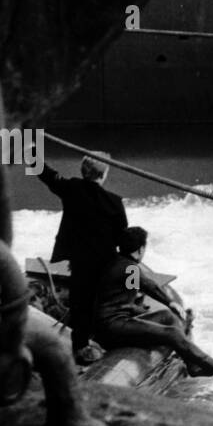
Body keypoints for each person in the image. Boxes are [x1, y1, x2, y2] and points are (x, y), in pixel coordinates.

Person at [95, 227, 213, 381]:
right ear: (140, 249)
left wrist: (168, 305)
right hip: (112, 329)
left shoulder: (120, 263)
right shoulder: (130, 268)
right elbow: (149, 286)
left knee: (168, 316)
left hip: (114, 324)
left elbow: (135, 288)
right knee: (172, 333)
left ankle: (192, 365)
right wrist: (170, 301)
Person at [37, 153, 128, 364]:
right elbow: (121, 236)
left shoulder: (71, 188)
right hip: (105, 262)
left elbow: (45, 174)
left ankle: (81, 345)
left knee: (81, 302)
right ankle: (93, 342)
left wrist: (30, 153)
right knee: (96, 301)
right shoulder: (115, 202)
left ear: (83, 171)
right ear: (103, 174)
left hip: (79, 260)